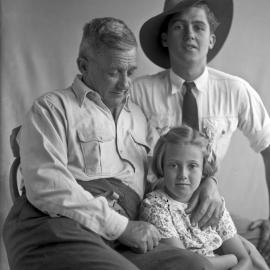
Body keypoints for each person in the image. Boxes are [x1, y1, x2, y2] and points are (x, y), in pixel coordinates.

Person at [2, 17, 214, 270]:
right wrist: (121, 226)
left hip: (121, 235)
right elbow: (46, 185)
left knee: (193, 265)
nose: (126, 84)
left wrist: (208, 183)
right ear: (84, 65)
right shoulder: (51, 108)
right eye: (114, 72)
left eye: (130, 72)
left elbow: (156, 180)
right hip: (59, 223)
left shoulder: (137, 116)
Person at [131, 0, 270, 265]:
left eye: (198, 27)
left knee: (262, 242)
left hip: (205, 212)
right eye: (179, 26)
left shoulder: (235, 90)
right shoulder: (140, 92)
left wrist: (209, 182)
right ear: (164, 38)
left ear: (211, 39)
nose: (190, 34)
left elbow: (269, 146)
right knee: (240, 255)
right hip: (161, 211)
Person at [140, 125, 256, 270]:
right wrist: (231, 260)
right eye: (174, 165)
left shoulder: (212, 204)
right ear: (162, 166)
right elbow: (188, 264)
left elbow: (245, 260)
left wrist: (235, 262)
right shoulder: (155, 206)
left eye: (192, 166)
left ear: (203, 169)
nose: (183, 174)